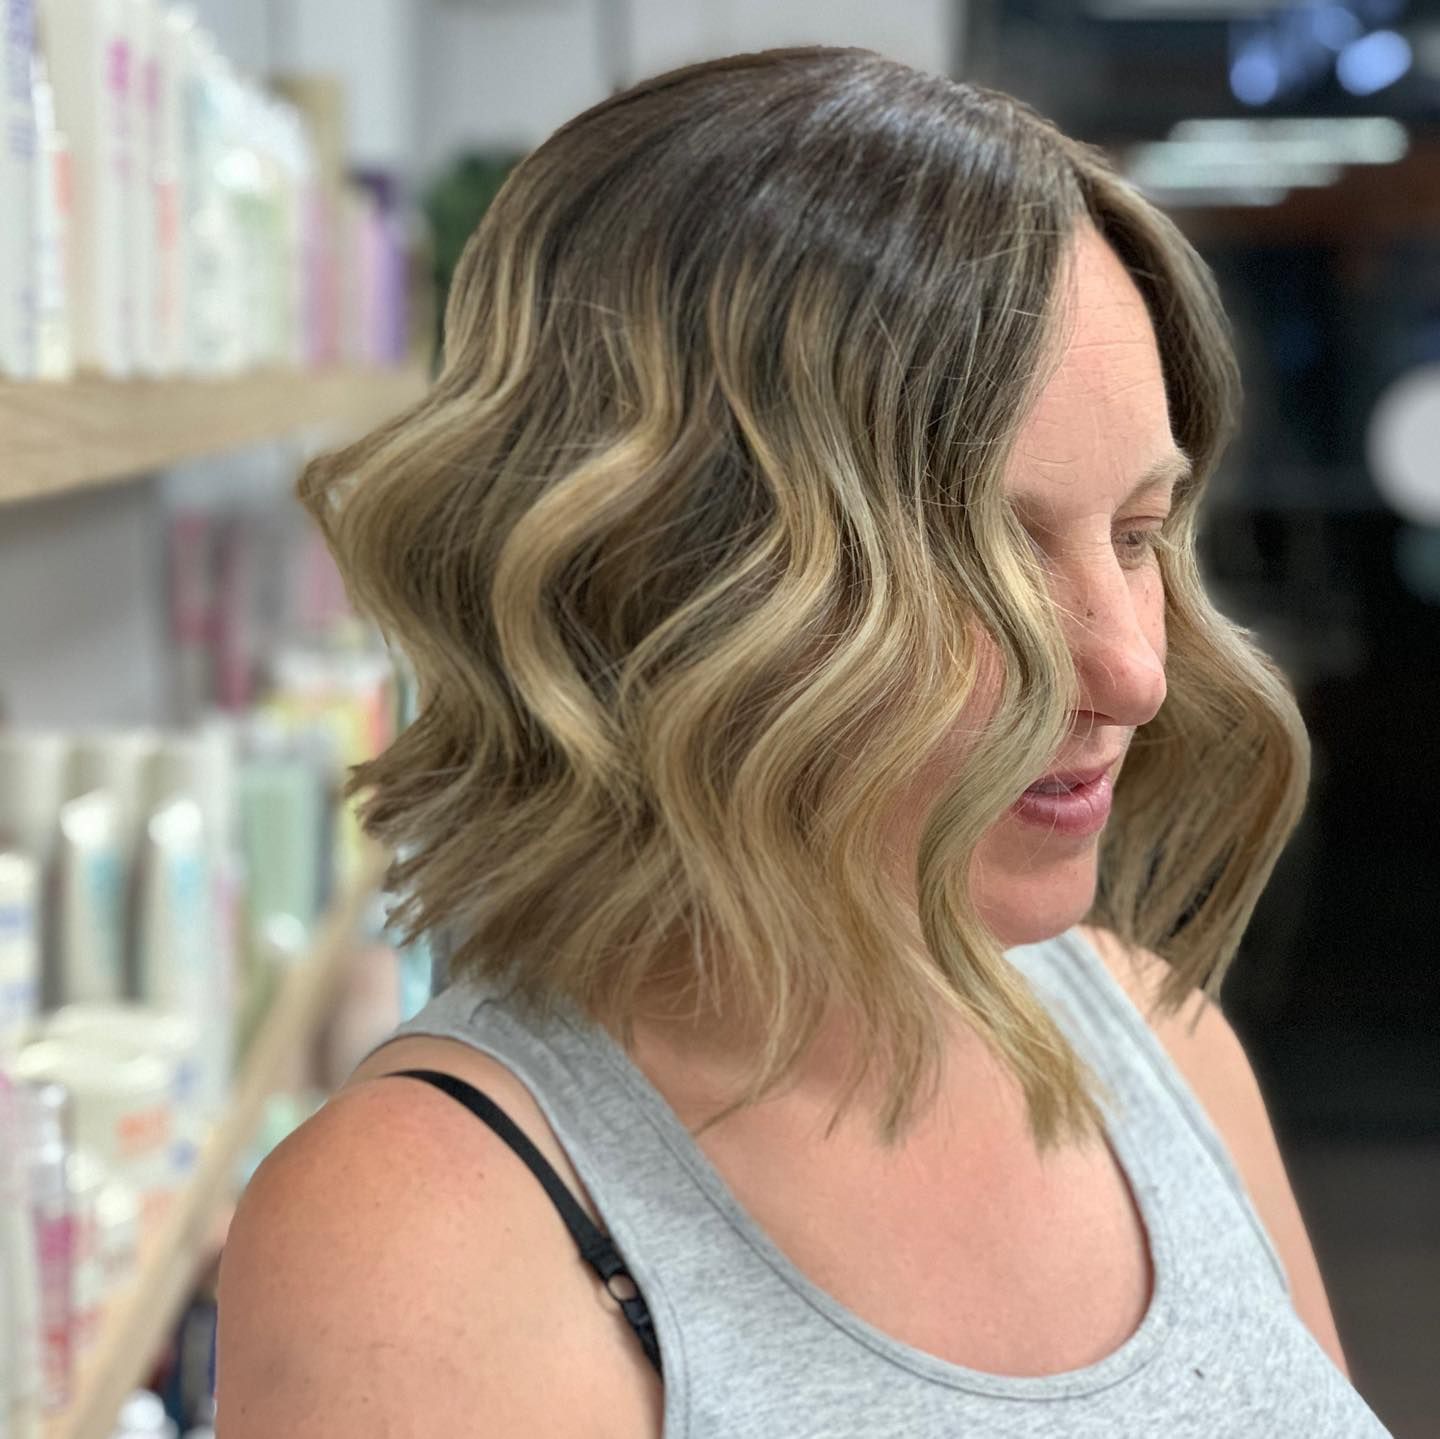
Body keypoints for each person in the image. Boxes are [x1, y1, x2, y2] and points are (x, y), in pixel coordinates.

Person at [215, 47, 1392, 1437]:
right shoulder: (425, 1234)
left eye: (1137, 534)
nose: (1134, 672)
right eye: (984, 572)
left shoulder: (1151, 1034)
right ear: (660, 585)